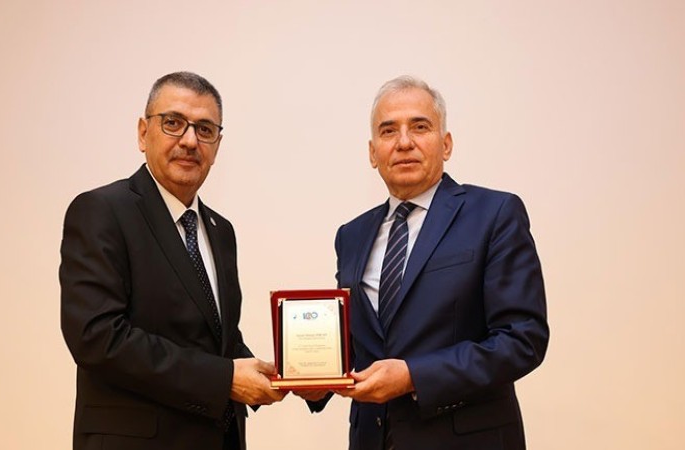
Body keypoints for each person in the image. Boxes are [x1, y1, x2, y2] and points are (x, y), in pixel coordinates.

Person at [298, 76, 549, 450]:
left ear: (446, 144)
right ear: (372, 152)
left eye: (419, 127)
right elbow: (358, 342)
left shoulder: (494, 214)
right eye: (388, 131)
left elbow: (522, 339)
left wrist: (413, 376)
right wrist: (315, 378)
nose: (403, 142)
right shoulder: (351, 235)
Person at [59, 71, 285, 450]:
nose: (190, 141)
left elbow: (217, 341)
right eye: (174, 123)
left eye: (205, 129)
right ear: (142, 133)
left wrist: (290, 376)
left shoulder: (220, 230)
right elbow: (97, 337)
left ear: (217, 145)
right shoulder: (102, 211)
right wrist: (224, 379)